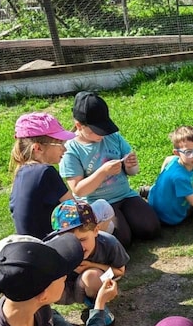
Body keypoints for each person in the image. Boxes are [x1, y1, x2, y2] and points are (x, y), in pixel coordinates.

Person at [60, 91, 161, 248]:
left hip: (125, 195)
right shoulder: (71, 149)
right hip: (99, 203)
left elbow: (133, 172)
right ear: (79, 126)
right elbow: (78, 190)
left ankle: (130, 220)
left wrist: (130, 166)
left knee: (151, 229)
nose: (102, 134)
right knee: (122, 240)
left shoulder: (112, 137)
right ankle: (114, 226)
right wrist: (103, 172)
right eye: (96, 131)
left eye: (103, 129)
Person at [50, 199, 129, 326]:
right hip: (62, 290)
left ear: (96, 230)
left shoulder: (109, 243)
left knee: (91, 276)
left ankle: (96, 305)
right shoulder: (53, 249)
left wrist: (92, 266)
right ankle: (46, 318)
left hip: (92, 282)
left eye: (82, 239)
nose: (77, 246)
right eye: (70, 240)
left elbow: (120, 271)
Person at [9, 112, 75, 238]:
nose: (64, 149)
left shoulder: (21, 172)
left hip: (30, 246)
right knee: (103, 208)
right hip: (50, 245)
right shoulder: (45, 171)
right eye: (59, 144)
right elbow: (76, 210)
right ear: (37, 148)